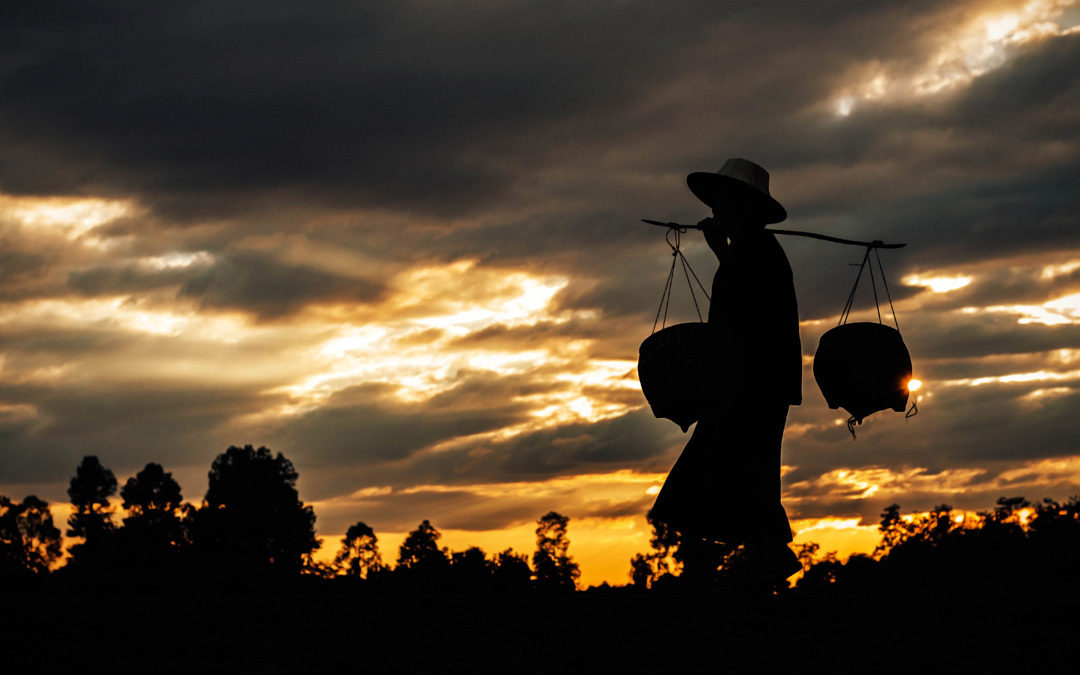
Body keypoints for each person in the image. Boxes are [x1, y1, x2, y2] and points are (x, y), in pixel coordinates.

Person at [647, 157, 803, 585]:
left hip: (755, 384)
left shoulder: (758, 251)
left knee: (737, 469)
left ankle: (761, 559)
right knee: (745, 473)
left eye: (723, 205)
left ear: (744, 208)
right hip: (754, 382)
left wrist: (722, 250)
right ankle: (763, 557)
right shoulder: (751, 250)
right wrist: (723, 250)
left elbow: (749, 313)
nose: (714, 213)